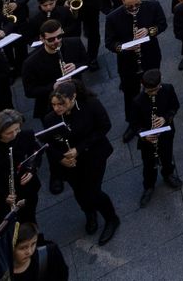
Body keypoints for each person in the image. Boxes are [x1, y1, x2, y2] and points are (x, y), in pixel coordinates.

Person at [42, 83, 120, 245]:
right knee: (79, 190)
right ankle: (89, 213)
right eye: (54, 104)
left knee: (94, 191)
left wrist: (79, 148)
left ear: (73, 98)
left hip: (93, 155)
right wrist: (61, 158)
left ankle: (111, 218)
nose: (57, 108)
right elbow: (48, 144)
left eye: (61, 104)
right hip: (70, 163)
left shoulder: (91, 105)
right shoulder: (50, 119)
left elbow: (104, 127)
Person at [126, 69, 183, 207]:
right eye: (149, 91)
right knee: (148, 164)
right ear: (143, 86)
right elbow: (134, 125)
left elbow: (175, 106)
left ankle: (168, 174)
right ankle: (149, 186)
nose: (153, 93)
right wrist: (145, 135)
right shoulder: (137, 101)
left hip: (166, 133)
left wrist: (165, 118)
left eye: (156, 89)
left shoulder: (168, 89)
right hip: (148, 139)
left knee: (167, 156)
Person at [5, 220, 70, 281]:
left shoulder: (50, 253)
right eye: (23, 248)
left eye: (33, 244)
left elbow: (62, 275)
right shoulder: (1, 274)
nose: (30, 252)